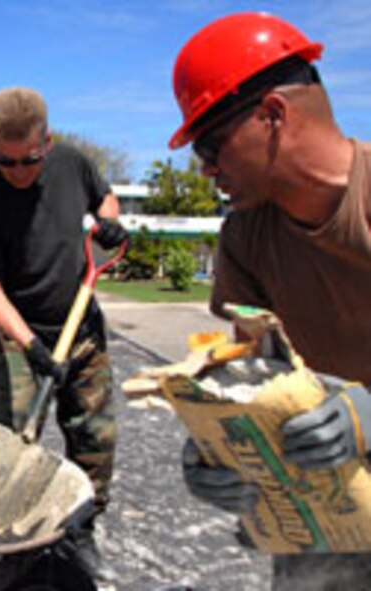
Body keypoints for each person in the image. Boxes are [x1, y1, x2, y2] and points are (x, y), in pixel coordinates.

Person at [168, 12, 371, 590]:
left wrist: (367, 415)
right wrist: (221, 448)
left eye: (210, 142)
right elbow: (257, 377)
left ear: (273, 115)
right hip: (329, 526)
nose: (206, 169)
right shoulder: (246, 237)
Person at [0, 86, 129, 589]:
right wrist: (31, 346)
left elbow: (106, 198)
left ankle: (79, 530)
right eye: (3, 162)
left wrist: (109, 221)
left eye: (27, 160)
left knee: (95, 437)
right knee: (10, 443)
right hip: (16, 336)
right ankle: (8, 541)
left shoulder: (74, 163)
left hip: (81, 328)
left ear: (46, 142)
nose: (17, 172)